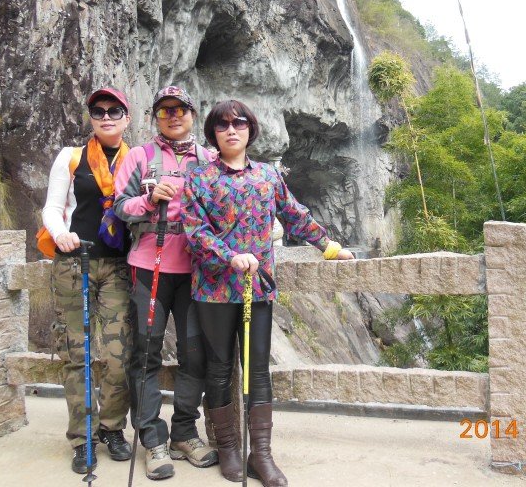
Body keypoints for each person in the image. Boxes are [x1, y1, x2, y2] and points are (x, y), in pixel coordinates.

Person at [181, 100, 354, 485]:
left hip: (257, 288)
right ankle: (229, 448)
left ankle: (261, 454)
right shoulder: (199, 178)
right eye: (222, 125)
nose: (231, 130)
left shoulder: (267, 176)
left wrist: (328, 246)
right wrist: (230, 256)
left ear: (250, 129)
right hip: (213, 288)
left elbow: (293, 214)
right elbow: (195, 232)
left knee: (257, 369)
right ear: (212, 133)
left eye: (239, 123)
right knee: (220, 368)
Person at [114, 86, 216, 481]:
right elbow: (120, 206)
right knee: (146, 353)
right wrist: (149, 199)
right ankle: (152, 438)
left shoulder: (209, 159)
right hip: (148, 266)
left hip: (195, 269)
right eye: (164, 111)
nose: (173, 116)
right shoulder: (139, 157)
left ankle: (184, 433)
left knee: (195, 354)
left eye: (180, 110)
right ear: (155, 117)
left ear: (192, 114)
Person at [42, 87, 134, 474]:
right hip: (74, 261)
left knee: (118, 353)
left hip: (117, 265)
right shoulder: (71, 157)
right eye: (99, 111)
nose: (106, 117)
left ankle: (112, 428)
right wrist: (60, 233)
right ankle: (83, 437)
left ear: (127, 117)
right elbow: (52, 206)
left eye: (114, 110)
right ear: (91, 118)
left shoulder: (136, 160)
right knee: (76, 352)